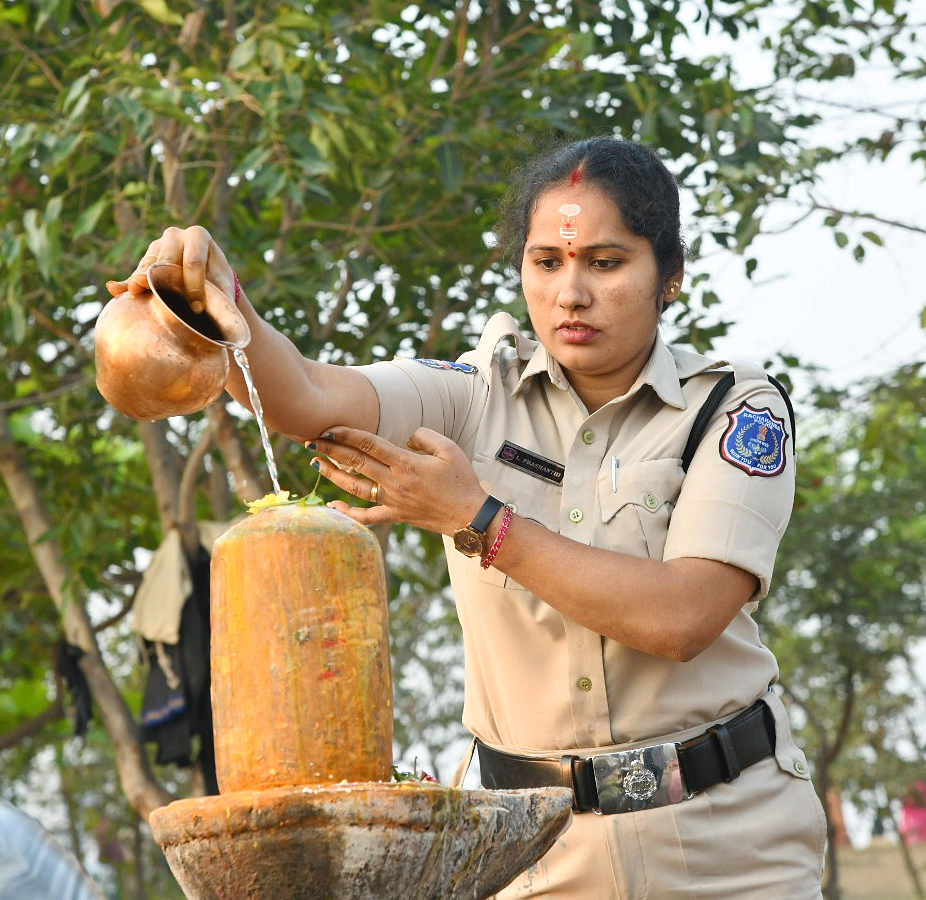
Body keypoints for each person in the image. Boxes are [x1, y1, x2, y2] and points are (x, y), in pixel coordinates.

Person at [108, 137, 826, 898]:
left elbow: (683, 617)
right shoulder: (477, 392)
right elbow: (307, 398)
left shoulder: (735, 408)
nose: (570, 294)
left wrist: (480, 518)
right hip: (532, 857)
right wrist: (217, 301)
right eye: (546, 262)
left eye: (605, 263)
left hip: (728, 849)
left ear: (669, 276)